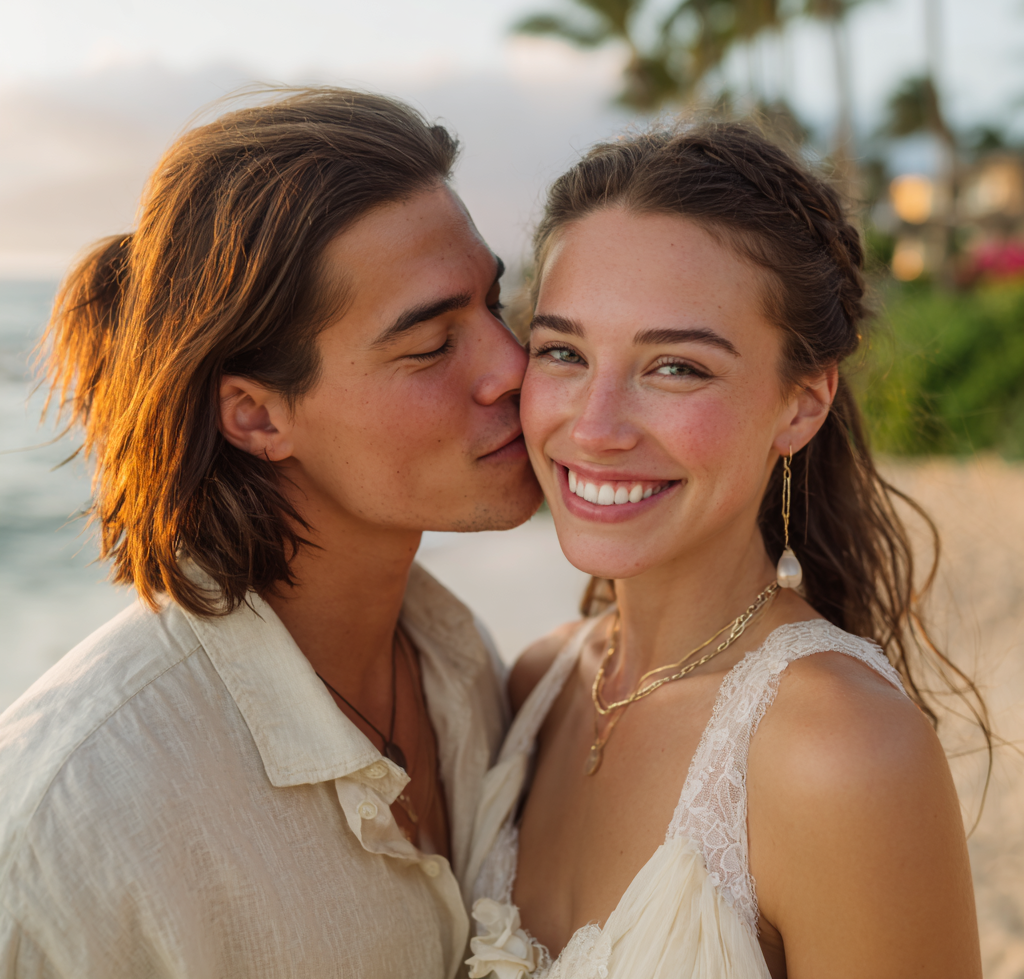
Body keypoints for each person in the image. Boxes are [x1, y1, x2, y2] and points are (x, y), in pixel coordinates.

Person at [0, 87, 542, 978]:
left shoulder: (461, 663)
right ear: (255, 416)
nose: (512, 366)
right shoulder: (79, 825)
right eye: (431, 344)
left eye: (494, 302)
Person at [465, 123, 983, 979]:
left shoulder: (840, 752)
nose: (593, 428)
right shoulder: (540, 686)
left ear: (802, 404)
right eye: (563, 352)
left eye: (675, 368)